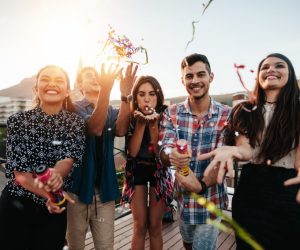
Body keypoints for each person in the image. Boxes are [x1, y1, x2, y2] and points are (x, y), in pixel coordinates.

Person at [202, 53, 300, 249]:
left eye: (279, 66)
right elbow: (247, 148)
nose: (271, 69)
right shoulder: (245, 110)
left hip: (288, 191)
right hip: (251, 190)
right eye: (265, 67)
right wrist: (233, 151)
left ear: (290, 74)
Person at [0, 65, 86, 250]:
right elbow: (21, 175)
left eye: (59, 80)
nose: (52, 84)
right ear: (36, 88)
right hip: (16, 205)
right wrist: (51, 195)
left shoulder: (75, 123)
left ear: (67, 91)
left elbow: (68, 159)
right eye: (45, 79)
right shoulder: (17, 121)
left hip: (53, 211)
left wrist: (56, 174)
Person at [159, 53, 231, 250]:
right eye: (189, 76)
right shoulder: (171, 113)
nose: (195, 80)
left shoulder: (227, 115)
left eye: (201, 74)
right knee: (188, 244)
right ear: (182, 80)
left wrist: (200, 185)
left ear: (211, 76)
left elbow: (224, 158)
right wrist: (170, 154)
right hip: (184, 200)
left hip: (212, 199)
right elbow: (165, 150)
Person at [66, 63, 138, 250]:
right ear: (80, 85)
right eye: (89, 75)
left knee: (106, 246)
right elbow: (95, 128)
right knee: (76, 246)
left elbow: (121, 130)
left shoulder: (112, 110)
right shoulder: (73, 108)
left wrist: (124, 94)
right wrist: (106, 91)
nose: (95, 78)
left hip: (104, 191)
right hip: (77, 191)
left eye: (97, 75)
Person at [121, 75, 173, 250]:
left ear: (158, 96)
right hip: (136, 168)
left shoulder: (166, 114)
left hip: (159, 170)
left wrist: (153, 124)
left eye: (151, 94)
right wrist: (142, 124)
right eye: (141, 94)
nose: (147, 98)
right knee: (140, 225)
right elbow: (133, 152)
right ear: (136, 97)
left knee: (155, 226)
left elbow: (160, 154)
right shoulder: (131, 115)